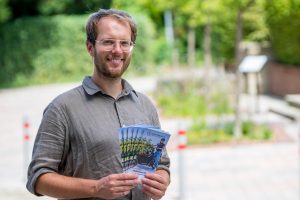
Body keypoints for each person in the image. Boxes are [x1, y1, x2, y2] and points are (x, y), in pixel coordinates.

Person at [26, 8, 170, 200]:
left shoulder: (145, 105)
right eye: (108, 42)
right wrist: (96, 188)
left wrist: (162, 180)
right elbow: (38, 178)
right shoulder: (62, 108)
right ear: (90, 47)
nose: (117, 50)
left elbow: (161, 165)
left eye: (124, 43)